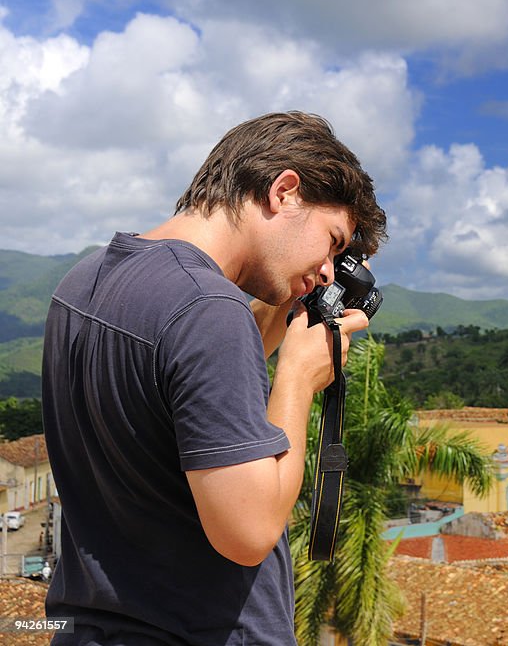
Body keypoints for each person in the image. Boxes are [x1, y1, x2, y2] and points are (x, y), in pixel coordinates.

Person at [41, 112, 387, 645]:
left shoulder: (85, 279)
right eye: (333, 241)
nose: (326, 271)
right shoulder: (208, 312)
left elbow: (173, 396)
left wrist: (270, 324)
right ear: (285, 191)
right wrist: (296, 378)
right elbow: (248, 533)